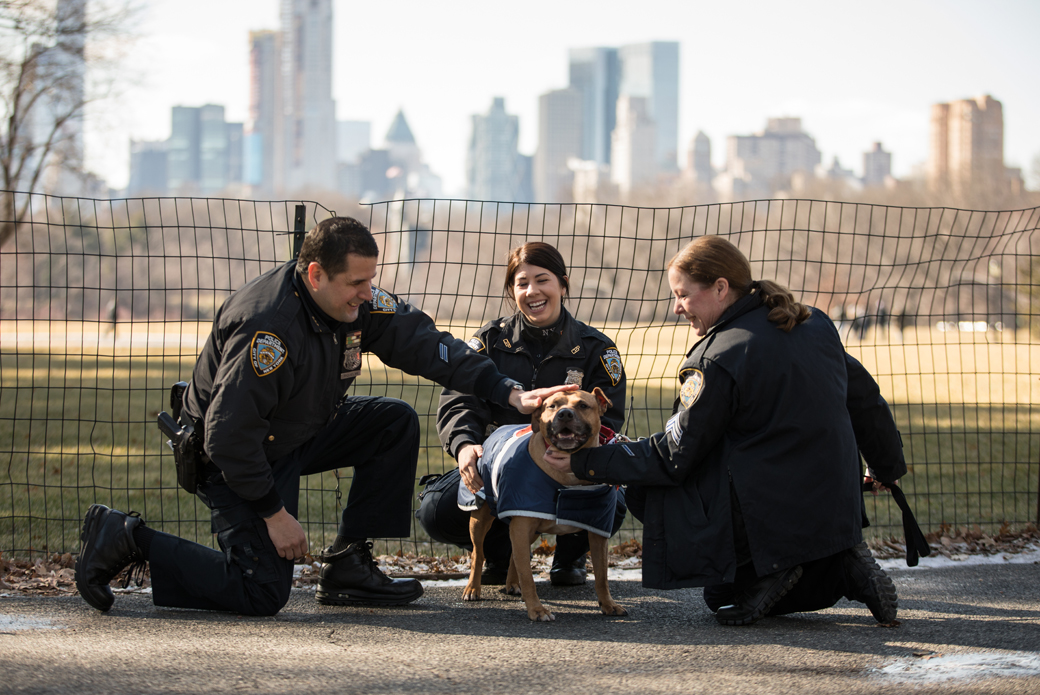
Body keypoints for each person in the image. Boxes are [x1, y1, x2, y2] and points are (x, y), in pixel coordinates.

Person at [74, 217, 573, 616]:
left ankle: (348, 566)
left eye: (371, 279)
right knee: (260, 594)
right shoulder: (269, 330)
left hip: (295, 431)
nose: (367, 292)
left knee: (391, 422)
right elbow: (227, 437)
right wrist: (275, 514)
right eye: (357, 282)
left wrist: (509, 393)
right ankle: (123, 537)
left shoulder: (352, 302)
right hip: (233, 457)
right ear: (316, 274)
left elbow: (426, 345)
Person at [544, 235, 906, 626]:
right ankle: (842, 558)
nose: (678, 307)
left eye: (683, 295)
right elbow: (866, 401)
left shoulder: (716, 357)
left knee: (712, 582)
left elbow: (673, 457)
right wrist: (887, 467)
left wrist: (588, 461)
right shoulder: (812, 322)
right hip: (836, 505)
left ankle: (781, 569)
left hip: (772, 511)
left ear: (720, 288)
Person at [418, 241, 627, 586]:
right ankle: (503, 556)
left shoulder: (596, 349)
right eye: (522, 283)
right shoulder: (489, 341)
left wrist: (578, 460)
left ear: (563, 284)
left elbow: (610, 419)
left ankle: (569, 557)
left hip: (569, 464)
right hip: (497, 467)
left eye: (542, 280)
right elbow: (459, 400)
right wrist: (465, 445)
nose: (533, 291)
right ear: (511, 291)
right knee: (436, 509)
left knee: (612, 499)